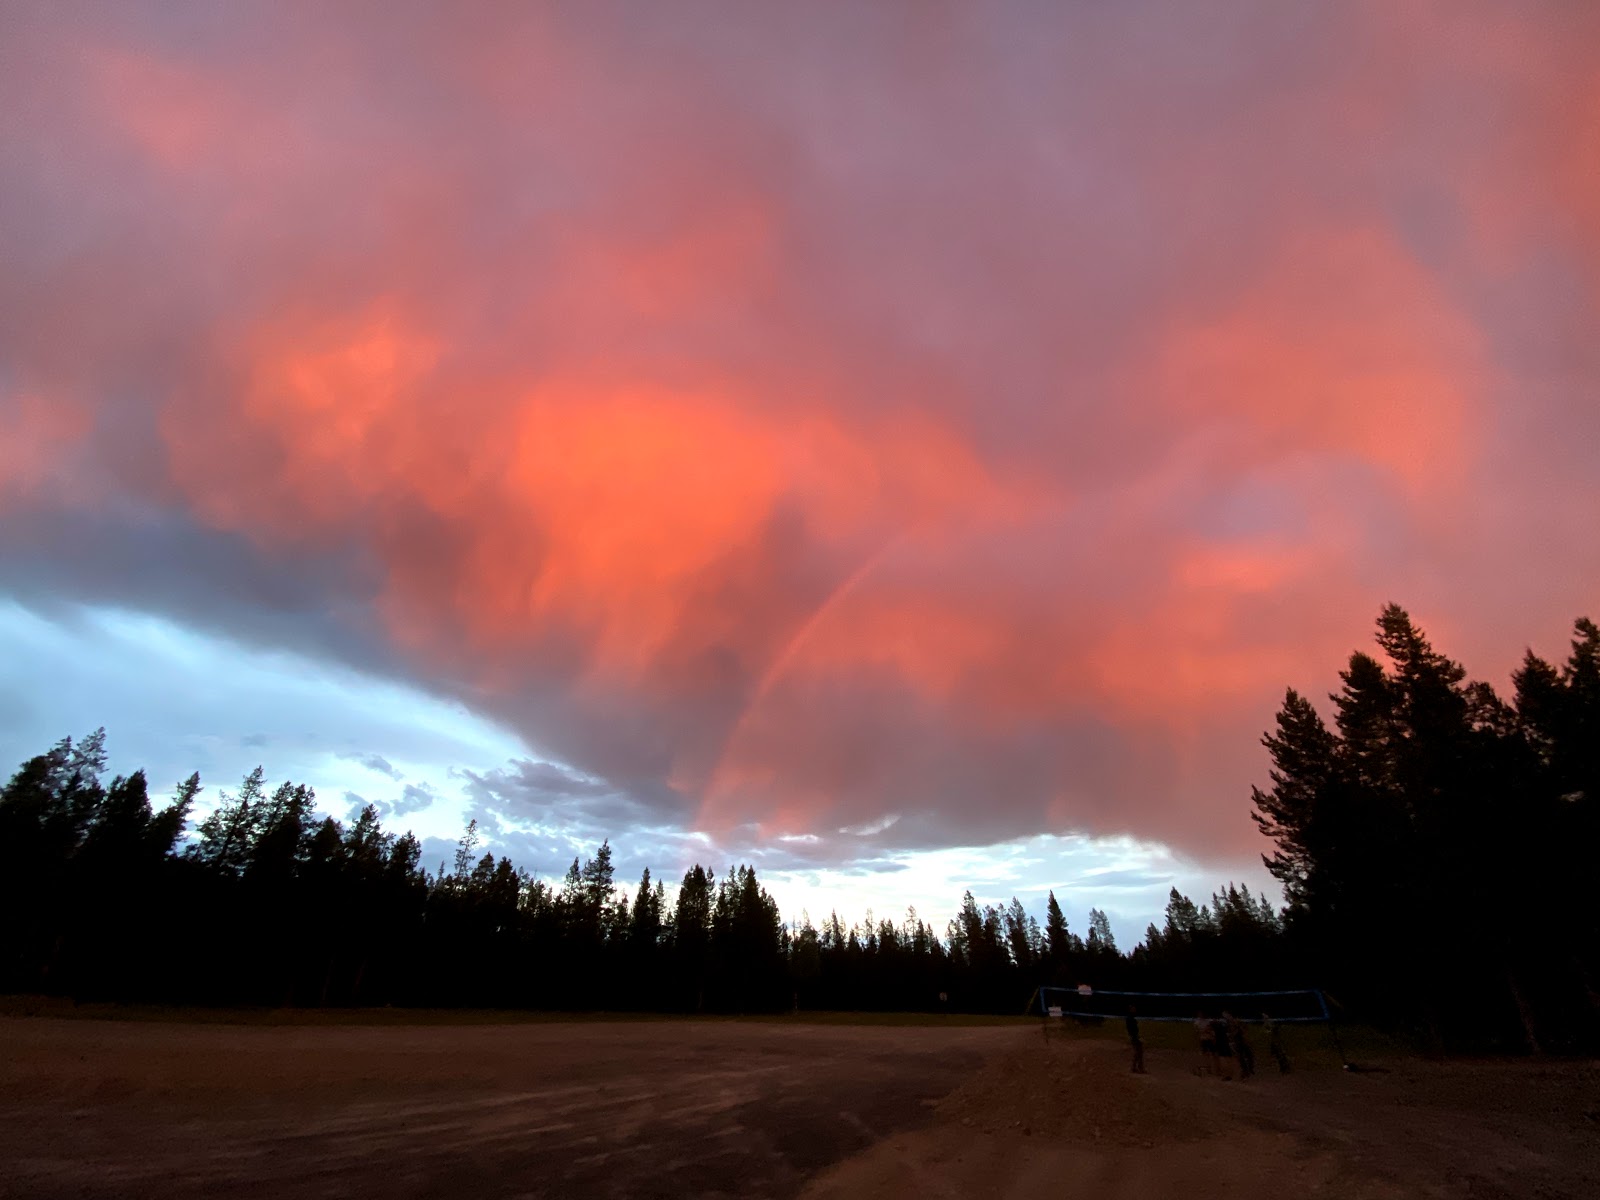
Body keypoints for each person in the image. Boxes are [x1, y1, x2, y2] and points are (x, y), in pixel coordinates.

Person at [1224, 1011, 1254, 1078]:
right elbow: (1230, 1034)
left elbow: (1245, 1030)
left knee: (1249, 1056)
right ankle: (1245, 1072)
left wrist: (1240, 1028)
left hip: (1243, 1042)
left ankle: (1250, 1069)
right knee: (1241, 1058)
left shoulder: (1238, 1022)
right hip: (1237, 1043)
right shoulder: (1228, 1025)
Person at [1194, 1010, 1217, 1075]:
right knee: (1204, 1054)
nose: (1201, 1015)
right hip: (1203, 1039)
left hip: (1208, 1039)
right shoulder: (1197, 1022)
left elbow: (1210, 1030)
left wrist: (1212, 1036)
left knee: (1211, 1054)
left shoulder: (1207, 1021)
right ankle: (1205, 1068)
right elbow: (1197, 1031)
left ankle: (1209, 1068)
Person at [1210, 1014, 1233, 1080]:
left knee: (1222, 1059)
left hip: (1220, 1043)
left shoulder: (1215, 1025)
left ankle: (1226, 1075)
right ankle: (1230, 1074)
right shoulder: (1224, 1024)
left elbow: (1213, 1035)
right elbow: (1229, 1030)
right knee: (1228, 1059)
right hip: (1226, 1042)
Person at [1126, 1004, 1146, 1074]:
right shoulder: (1130, 1018)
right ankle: (1139, 1068)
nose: (1134, 1010)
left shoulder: (1131, 1018)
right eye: (1133, 1009)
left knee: (1137, 1053)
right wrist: (1137, 1037)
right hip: (1134, 1037)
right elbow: (1132, 1030)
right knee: (1139, 1053)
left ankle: (1134, 1067)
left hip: (1134, 1036)